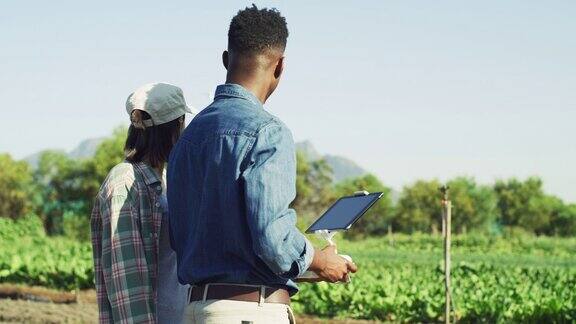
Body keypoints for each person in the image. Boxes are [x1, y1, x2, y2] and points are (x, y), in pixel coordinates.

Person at [168, 5, 357, 324]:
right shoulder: (268, 132)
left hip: (195, 310)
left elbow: (191, 241)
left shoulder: (188, 138)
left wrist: (305, 264)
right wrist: (320, 261)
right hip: (248, 311)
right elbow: (272, 236)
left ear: (226, 59)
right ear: (280, 66)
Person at [90, 83, 196, 323]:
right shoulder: (124, 183)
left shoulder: (167, 181)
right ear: (174, 128)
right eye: (182, 123)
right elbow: (127, 283)